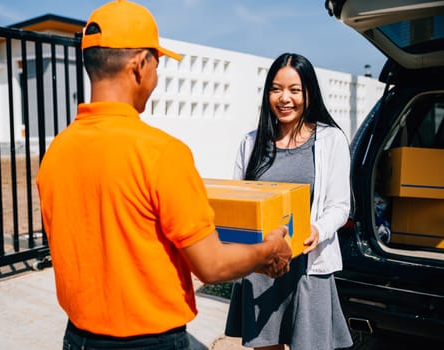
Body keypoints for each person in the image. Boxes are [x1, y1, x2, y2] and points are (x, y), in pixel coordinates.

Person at [36, 1, 292, 349]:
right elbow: (212, 265)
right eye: (157, 64)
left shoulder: (57, 152)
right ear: (140, 65)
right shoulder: (161, 153)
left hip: (78, 339)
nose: (156, 77)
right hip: (149, 342)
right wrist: (270, 250)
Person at [224, 53, 354, 350]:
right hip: (262, 267)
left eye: (294, 90)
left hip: (308, 265)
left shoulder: (330, 140)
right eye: (276, 89)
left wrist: (318, 229)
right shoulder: (250, 142)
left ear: (309, 94)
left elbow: (339, 205)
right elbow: (237, 202)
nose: (285, 98)